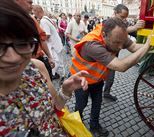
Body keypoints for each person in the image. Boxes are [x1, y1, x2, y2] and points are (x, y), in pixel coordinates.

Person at [0, 0, 88, 136]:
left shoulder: (36, 68)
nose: (13, 57)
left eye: (22, 43)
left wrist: (65, 90)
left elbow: (55, 107)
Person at [70, 17, 151, 136]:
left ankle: (95, 126)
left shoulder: (119, 36)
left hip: (97, 80)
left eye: (122, 42)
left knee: (97, 104)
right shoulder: (92, 44)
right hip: (81, 81)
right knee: (81, 104)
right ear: (104, 35)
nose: (120, 47)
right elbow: (121, 66)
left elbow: (134, 48)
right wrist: (147, 46)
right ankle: (77, 122)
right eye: (116, 43)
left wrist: (152, 44)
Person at [103, 4, 145, 101]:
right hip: (102, 58)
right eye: (122, 17)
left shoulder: (123, 24)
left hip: (113, 58)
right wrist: (134, 27)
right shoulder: (107, 23)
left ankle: (106, 92)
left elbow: (133, 46)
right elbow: (121, 31)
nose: (123, 20)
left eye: (125, 18)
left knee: (110, 77)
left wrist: (149, 44)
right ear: (115, 13)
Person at [14, 0, 55, 80]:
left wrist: (50, 57)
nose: (32, 6)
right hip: (19, 67)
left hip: (38, 59)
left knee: (48, 83)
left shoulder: (31, 20)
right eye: (29, 3)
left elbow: (42, 39)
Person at [33, 5, 65, 80]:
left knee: (56, 62)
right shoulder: (47, 19)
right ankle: (60, 75)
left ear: (38, 11)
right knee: (59, 61)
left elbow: (47, 35)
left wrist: (38, 39)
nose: (34, 14)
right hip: (56, 44)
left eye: (34, 12)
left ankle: (59, 76)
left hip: (54, 45)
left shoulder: (43, 21)